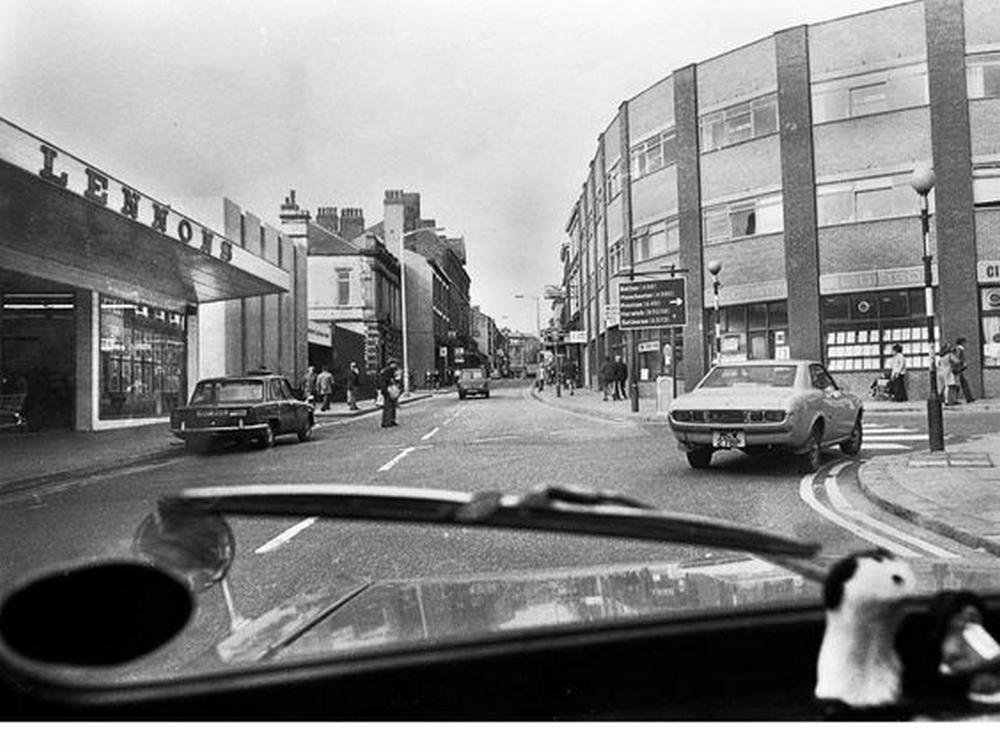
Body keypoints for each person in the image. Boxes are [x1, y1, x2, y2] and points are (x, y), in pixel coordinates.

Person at [379, 359, 400, 428]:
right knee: (389, 407)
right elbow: (389, 381)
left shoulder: (386, 370)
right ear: (391, 364)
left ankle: (390, 421)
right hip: (388, 390)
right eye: (394, 363)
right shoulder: (389, 370)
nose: (396, 365)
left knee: (391, 406)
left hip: (387, 390)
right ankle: (387, 422)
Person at [953, 337, 975, 403]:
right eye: (964, 343)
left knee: (962, 384)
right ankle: (954, 399)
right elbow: (957, 359)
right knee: (958, 384)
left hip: (958, 369)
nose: (966, 344)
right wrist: (962, 364)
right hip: (958, 369)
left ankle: (968, 398)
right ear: (962, 343)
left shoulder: (958, 349)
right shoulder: (959, 349)